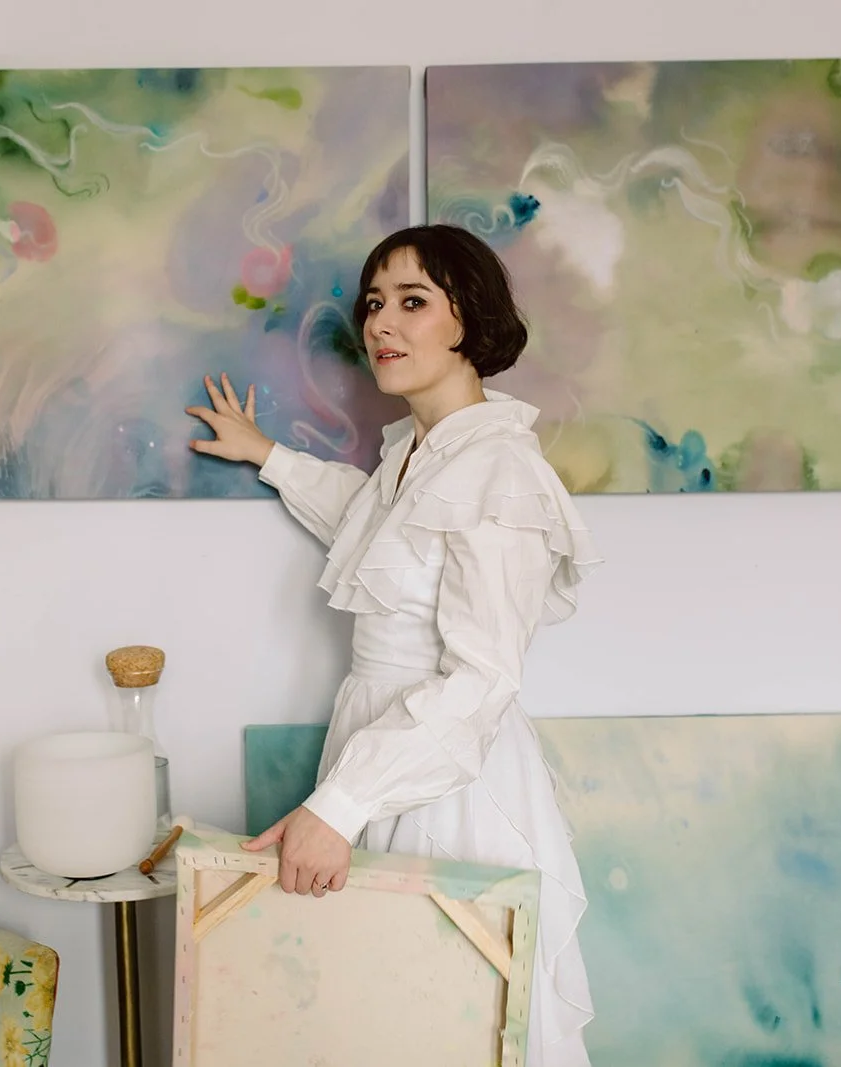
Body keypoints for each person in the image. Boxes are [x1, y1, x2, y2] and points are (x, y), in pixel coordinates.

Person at [186, 223, 601, 1067]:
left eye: (413, 301)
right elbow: (370, 523)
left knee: (449, 1025)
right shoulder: (418, 453)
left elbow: (482, 679)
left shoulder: (499, 470)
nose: (381, 322)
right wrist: (268, 455)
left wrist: (339, 806)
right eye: (374, 303)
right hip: (379, 755)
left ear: (467, 318)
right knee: (385, 1019)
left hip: (447, 779)